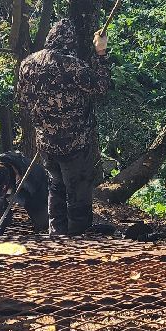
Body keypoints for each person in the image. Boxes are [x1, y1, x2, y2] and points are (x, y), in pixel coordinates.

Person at [15, 18, 112, 234]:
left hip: (46, 142)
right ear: (70, 42)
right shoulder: (72, 65)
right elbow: (102, 86)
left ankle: (56, 233)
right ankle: (78, 238)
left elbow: (23, 102)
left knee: (56, 187)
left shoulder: (28, 64)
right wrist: (101, 54)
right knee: (77, 191)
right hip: (73, 142)